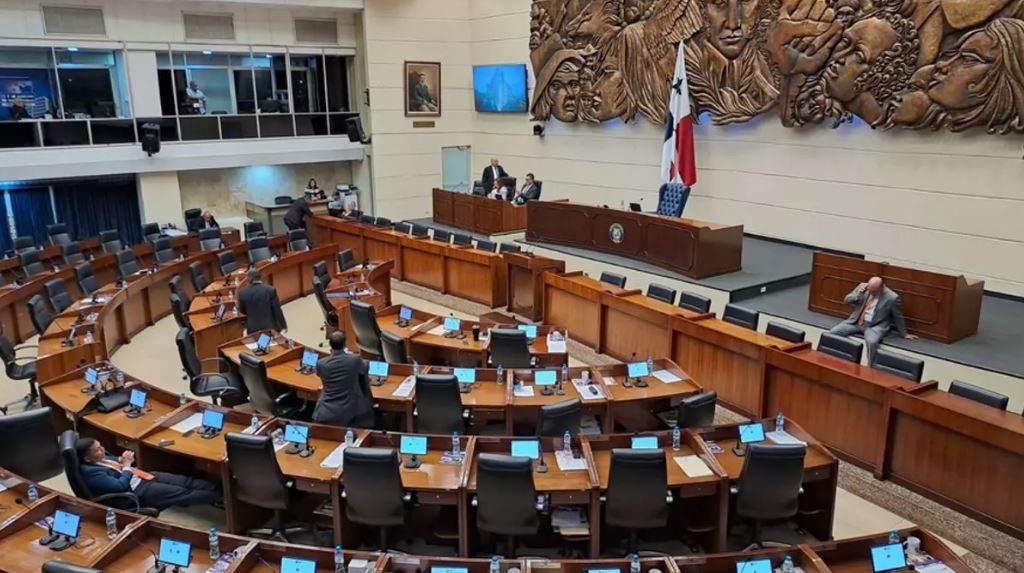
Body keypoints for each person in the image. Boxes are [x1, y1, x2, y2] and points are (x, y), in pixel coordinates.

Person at [76, 437, 221, 511]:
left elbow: (113, 461)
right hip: (138, 490)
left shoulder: (99, 459)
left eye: (100, 445)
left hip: (142, 475)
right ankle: (219, 496)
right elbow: (120, 485)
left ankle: (218, 488)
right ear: (87, 458)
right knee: (183, 493)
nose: (102, 449)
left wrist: (121, 459)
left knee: (185, 481)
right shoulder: (91, 473)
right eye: (97, 450)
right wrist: (126, 465)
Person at [828, 276, 917, 365]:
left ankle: (871, 366)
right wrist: (857, 296)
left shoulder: (892, 298)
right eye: (869, 290)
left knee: (872, 342)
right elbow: (846, 301)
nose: (870, 292)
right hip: (855, 323)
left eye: (873, 291)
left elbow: (897, 316)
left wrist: (904, 334)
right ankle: (831, 359)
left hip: (874, 326)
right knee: (832, 333)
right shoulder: (863, 287)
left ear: (882, 287)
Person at [312, 331, 374, 427]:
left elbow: (320, 374)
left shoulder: (321, 363)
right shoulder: (354, 359)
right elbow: (364, 370)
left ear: (330, 344)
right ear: (345, 344)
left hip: (325, 411)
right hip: (347, 412)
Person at [237, 268, 287, 334]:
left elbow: (242, 311)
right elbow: (277, 309)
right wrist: (283, 326)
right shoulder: (270, 290)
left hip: (252, 328)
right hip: (269, 327)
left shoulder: (242, 292)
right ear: (260, 277)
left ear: (249, 278)